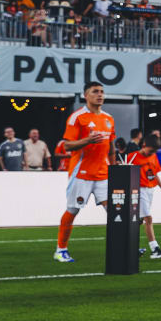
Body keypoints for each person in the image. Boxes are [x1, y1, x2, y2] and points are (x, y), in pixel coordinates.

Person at [53, 83, 115, 263]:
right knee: (73, 210)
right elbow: (67, 145)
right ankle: (61, 250)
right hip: (81, 173)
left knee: (115, 210)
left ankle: (124, 245)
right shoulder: (77, 118)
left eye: (102, 91)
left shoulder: (109, 118)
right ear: (86, 95)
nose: (100, 95)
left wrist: (114, 168)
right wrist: (87, 140)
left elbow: (111, 146)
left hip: (103, 173)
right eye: (95, 92)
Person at [126, 134, 161, 260]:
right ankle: (155, 249)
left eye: (154, 151)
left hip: (149, 190)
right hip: (138, 190)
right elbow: (124, 174)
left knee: (139, 221)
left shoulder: (153, 156)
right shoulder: (132, 157)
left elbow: (154, 175)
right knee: (148, 218)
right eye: (151, 150)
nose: (152, 153)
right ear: (144, 145)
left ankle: (130, 247)